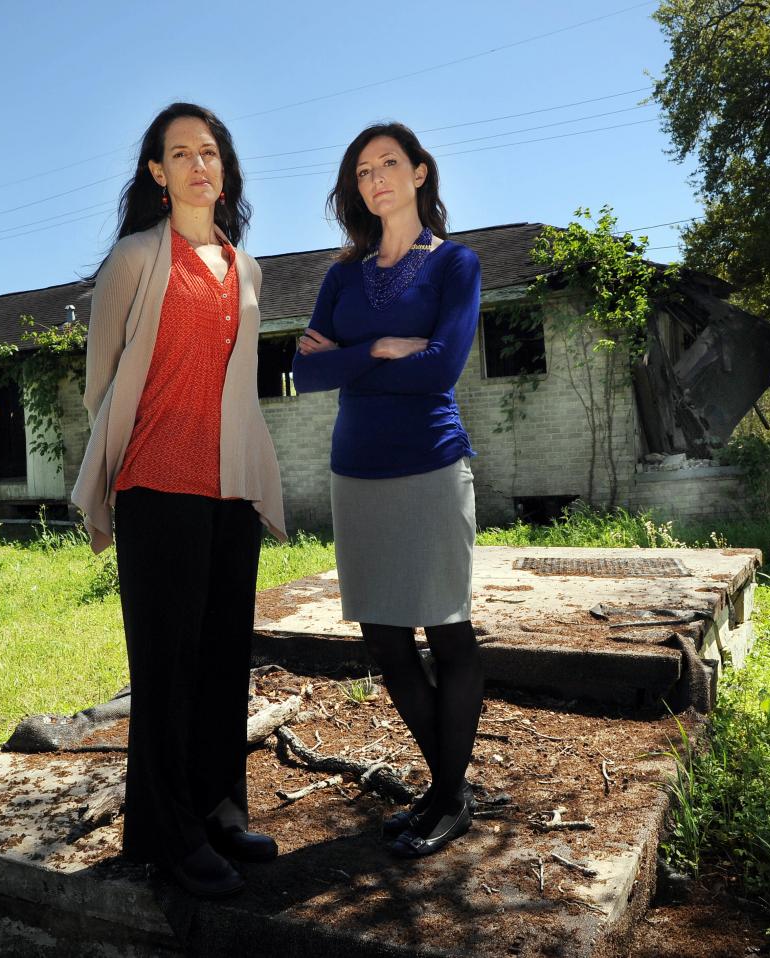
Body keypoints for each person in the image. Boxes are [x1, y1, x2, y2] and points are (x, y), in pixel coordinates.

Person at [71, 102, 286, 898]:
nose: (200, 164)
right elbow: (102, 382)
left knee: (227, 655)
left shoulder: (246, 268)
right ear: (158, 174)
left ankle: (219, 809)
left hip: (228, 489)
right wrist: (128, 458)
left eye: (211, 152)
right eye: (181, 153)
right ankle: (168, 836)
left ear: (224, 171)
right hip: (157, 485)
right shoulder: (133, 259)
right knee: (166, 666)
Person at [291, 122, 483, 857]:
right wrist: (375, 347)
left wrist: (347, 358)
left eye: (389, 164)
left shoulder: (456, 265)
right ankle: (449, 791)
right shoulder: (342, 276)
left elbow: (441, 368)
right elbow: (305, 374)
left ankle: (446, 796)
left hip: (431, 465)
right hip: (356, 470)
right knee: (385, 637)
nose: (376, 179)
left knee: (447, 627)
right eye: (363, 170)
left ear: (421, 173)